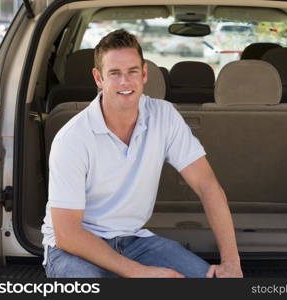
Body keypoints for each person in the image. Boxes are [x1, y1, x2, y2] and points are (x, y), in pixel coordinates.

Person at [41, 29, 243, 278]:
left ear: (144, 73)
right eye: (114, 73)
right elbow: (67, 233)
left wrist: (231, 263)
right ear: (98, 78)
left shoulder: (164, 116)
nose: (125, 82)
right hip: (74, 249)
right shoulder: (72, 138)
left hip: (134, 241)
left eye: (132, 72)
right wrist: (139, 273)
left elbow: (207, 186)